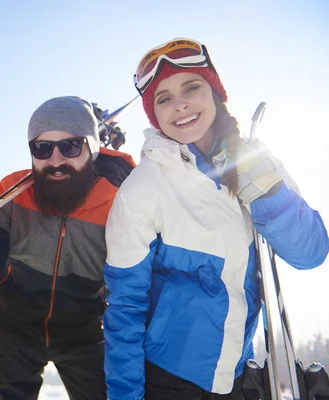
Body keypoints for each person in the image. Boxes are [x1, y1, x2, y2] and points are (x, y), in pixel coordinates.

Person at [103, 37, 329, 399]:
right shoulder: (142, 188)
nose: (180, 105)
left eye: (191, 87)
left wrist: (268, 194)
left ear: (214, 92)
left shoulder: (258, 161)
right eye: (164, 99)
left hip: (237, 376)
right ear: (155, 115)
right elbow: (125, 307)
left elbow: (310, 253)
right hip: (168, 379)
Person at [0, 96, 136, 400]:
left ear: (92, 148)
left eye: (70, 146)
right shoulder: (14, 191)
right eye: (42, 148)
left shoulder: (120, 201)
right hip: (14, 329)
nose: (55, 160)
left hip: (86, 332)